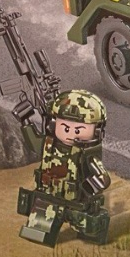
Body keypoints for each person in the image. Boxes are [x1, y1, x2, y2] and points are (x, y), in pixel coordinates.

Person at [15, 89, 111, 247]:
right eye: (65, 128)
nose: (71, 134)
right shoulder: (48, 145)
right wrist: (25, 121)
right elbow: (34, 143)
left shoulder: (87, 154)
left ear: (97, 131)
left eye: (78, 130)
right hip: (47, 199)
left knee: (91, 228)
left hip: (78, 205)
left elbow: (102, 176)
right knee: (36, 234)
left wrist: (91, 187)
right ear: (54, 124)